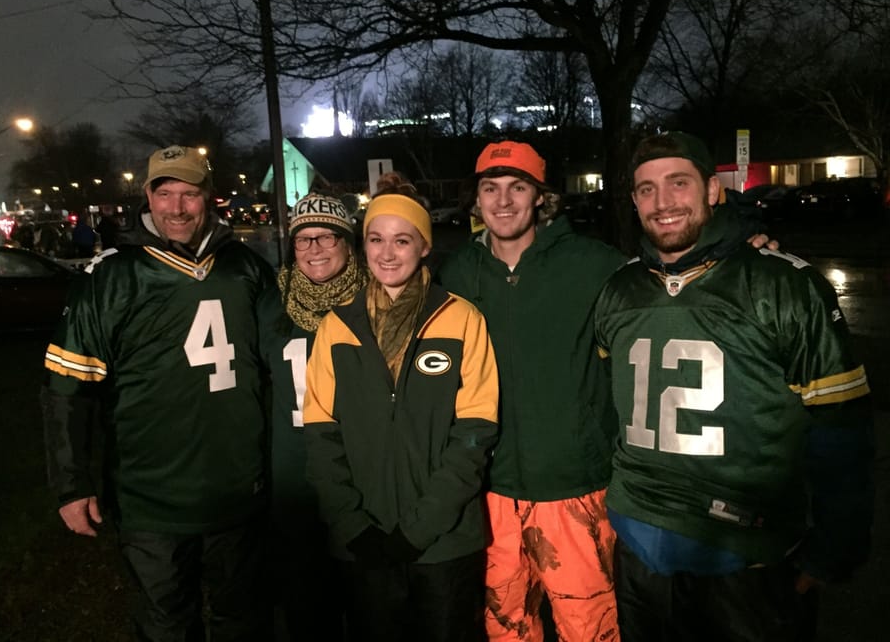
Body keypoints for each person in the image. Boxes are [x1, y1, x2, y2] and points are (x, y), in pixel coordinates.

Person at [592, 131, 874, 641]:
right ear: (633, 200)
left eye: (679, 183)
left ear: (713, 189)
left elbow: (841, 427)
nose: (663, 202)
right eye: (647, 189)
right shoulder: (618, 288)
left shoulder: (784, 284)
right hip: (640, 545)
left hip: (744, 556)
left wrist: (836, 546)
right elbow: (609, 408)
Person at [40, 145, 277, 641]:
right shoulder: (112, 276)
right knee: (167, 626)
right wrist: (71, 483)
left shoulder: (245, 267)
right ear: (147, 196)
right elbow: (68, 385)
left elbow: (281, 367)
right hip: (152, 497)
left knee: (245, 621)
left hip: (239, 490)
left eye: (189, 194)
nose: (176, 207)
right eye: (164, 193)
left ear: (208, 198)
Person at [436, 141, 624, 642]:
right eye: (490, 188)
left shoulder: (594, 265)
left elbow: (677, 284)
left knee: (590, 629)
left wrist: (745, 247)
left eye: (517, 187)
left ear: (541, 198)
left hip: (574, 488)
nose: (503, 201)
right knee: (506, 629)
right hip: (491, 492)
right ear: (475, 199)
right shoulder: (455, 274)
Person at [303, 178, 499, 642]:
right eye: (376, 239)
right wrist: (352, 526)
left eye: (402, 239)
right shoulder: (336, 328)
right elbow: (319, 436)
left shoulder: (462, 318)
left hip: (443, 543)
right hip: (363, 544)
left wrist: (422, 526)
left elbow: (475, 434)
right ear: (362, 246)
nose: (387, 254)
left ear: (424, 246)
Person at [263, 192, 367, 641]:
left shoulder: (379, 298)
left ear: (349, 244)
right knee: (306, 604)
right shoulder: (270, 305)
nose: (315, 249)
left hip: (362, 471)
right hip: (295, 475)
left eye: (327, 237)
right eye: (303, 240)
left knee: (368, 601)